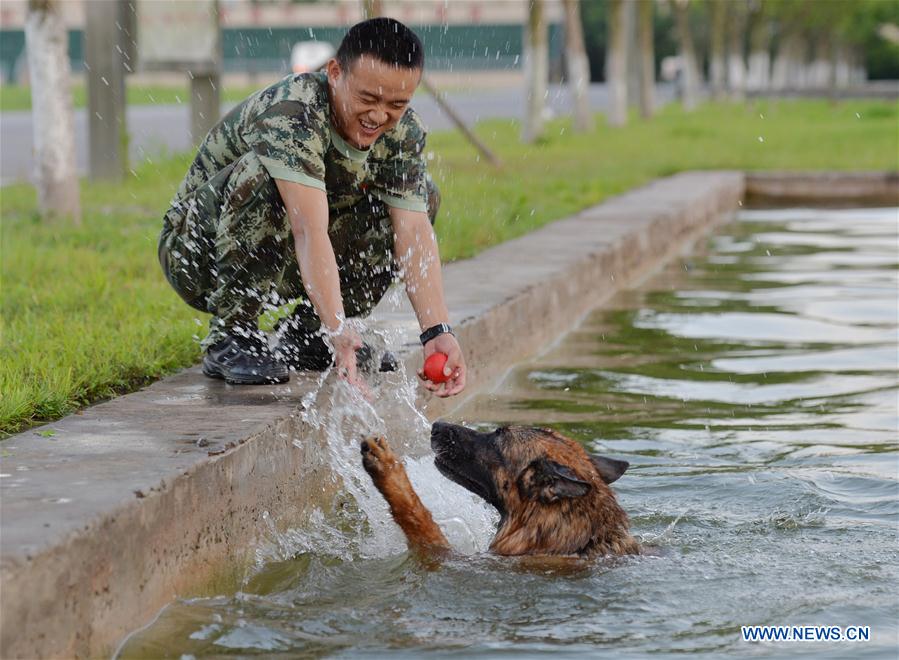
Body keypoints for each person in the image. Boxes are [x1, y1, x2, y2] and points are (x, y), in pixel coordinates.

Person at [157, 18, 466, 397]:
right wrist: (338, 327)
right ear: (335, 72)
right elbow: (308, 228)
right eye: (367, 99)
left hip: (285, 253)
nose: (378, 116)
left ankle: (309, 334)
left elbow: (414, 232)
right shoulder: (294, 111)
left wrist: (437, 332)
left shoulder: (403, 134)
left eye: (396, 104)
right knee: (265, 176)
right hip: (198, 253)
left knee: (424, 196)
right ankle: (232, 332)